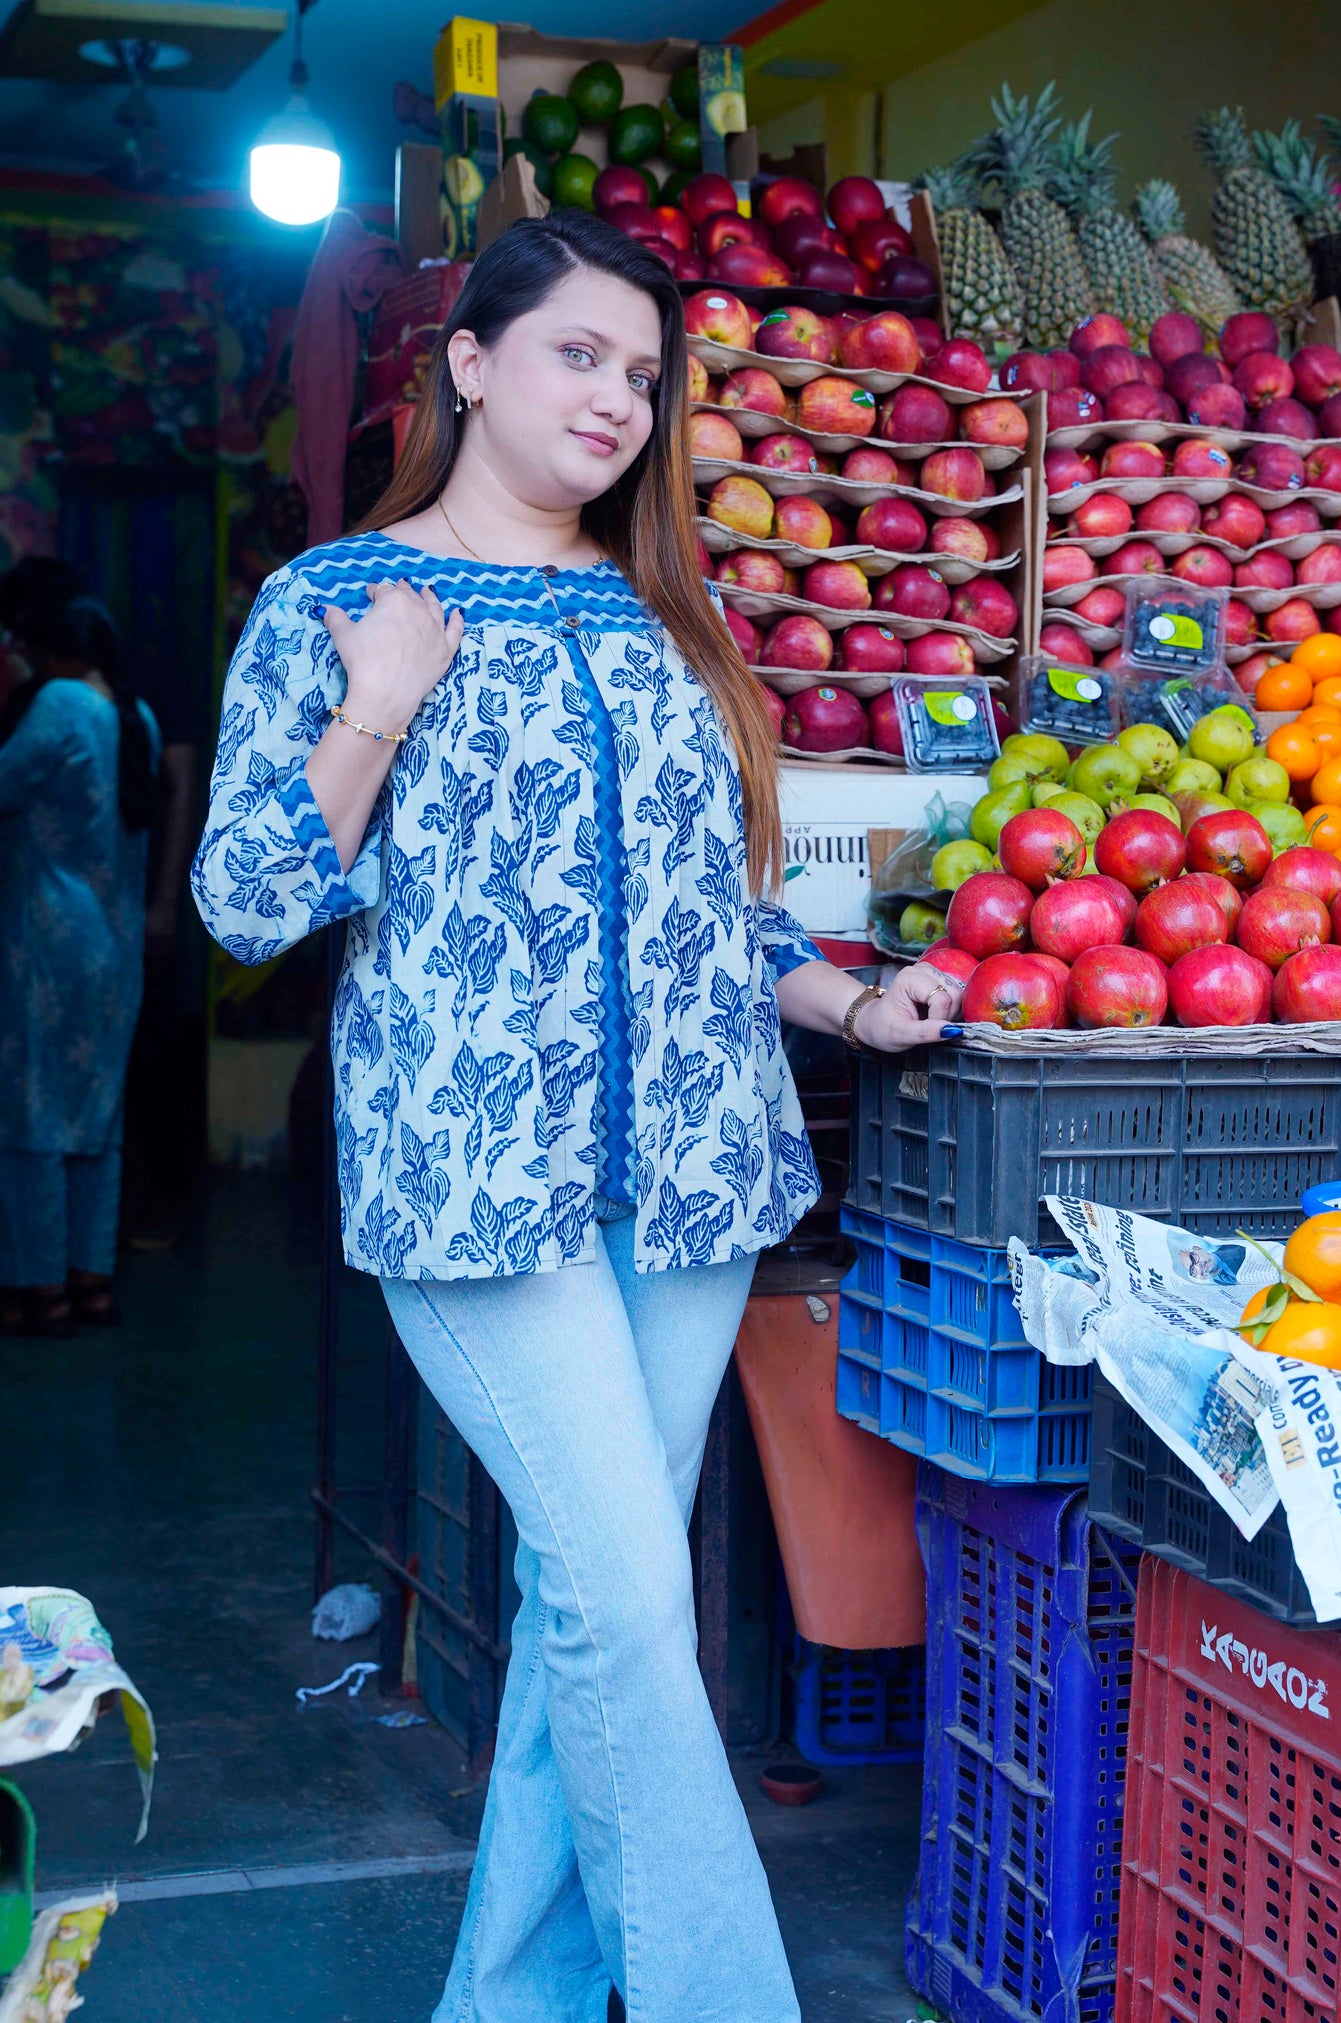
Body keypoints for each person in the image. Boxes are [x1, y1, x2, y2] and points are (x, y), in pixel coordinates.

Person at [192, 210, 964, 2022]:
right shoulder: (334, 604)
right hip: (475, 1184)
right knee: (625, 1603)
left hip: (692, 1175)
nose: (617, 398)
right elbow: (242, 898)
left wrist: (852, 999)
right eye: (576, 354)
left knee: (579, 1613)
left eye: (643, 372)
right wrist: (378, 706)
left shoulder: (663, 616)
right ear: (469, 362)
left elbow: (715, 906)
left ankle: (511, 2003)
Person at [0, 586, 160, 1336]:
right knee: (98, 1119)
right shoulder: (139, 718)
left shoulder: (62, 704)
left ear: (53, 650)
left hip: (48, 941)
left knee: (32, 1116)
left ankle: (40, 1289)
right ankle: (92, 1282)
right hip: (116, 945)